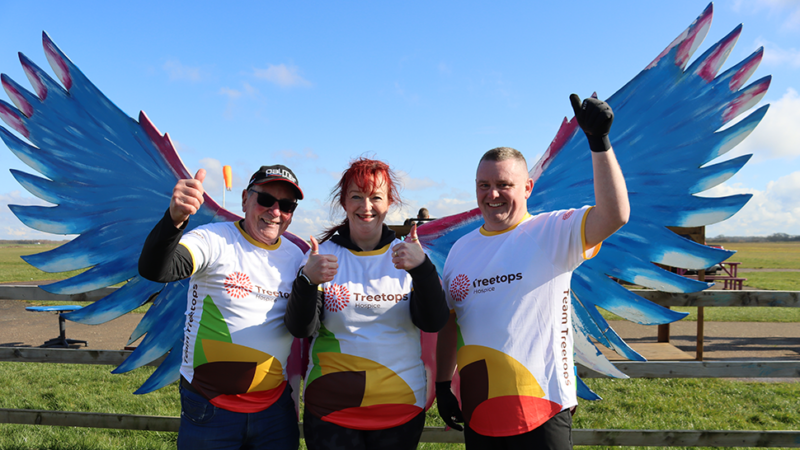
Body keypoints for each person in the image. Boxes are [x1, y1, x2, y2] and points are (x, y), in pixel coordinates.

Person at [435, 94, 630, 449]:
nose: (492, 194)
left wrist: (599, 143)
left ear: (527, 188)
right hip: (481, 409)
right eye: (484, 185)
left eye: (504, 185)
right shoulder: (460, 250)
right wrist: (443, 386)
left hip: (543, 408)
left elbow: (614, 215)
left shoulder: (552, 232)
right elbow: (451, 323)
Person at [284, 157, 450, 450]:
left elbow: (433, 322)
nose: (366, 206)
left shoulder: (408, 255)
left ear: (389, 203)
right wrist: (308, 281)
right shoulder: (321, 256)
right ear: (344, 202)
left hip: (400, 407)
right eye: (356, 197)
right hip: (330, 409)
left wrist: (423, 269)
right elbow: (300, 328)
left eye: (376, 197)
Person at [138, 164, 306, 450]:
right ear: (245, 199)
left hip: (273, 414)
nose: (275, 211)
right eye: (265, 199)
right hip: (210, 408)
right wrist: (174, 220)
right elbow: (158, 269)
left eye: (287, 205)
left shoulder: (297, 256)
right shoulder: (213, 239)